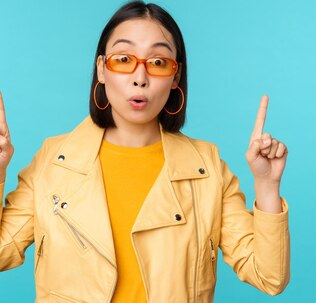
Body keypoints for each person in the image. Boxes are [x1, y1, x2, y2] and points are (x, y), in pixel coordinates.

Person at [0, 1, 290, 302]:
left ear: (175, 77)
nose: (140, 77)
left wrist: (267, 185)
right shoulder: (53, 160)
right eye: (123, 59)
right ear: (101, 69)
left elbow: (268, 276)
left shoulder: (208, 168)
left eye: (158, 62)